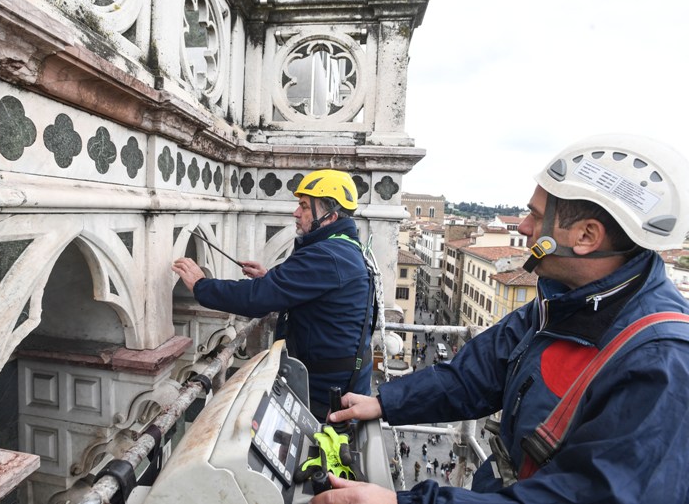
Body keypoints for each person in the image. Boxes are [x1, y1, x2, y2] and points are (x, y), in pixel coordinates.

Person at [309, 134, 689, 504]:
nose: (523, 227)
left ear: (586, 236)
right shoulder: (560, 302)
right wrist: (384, 403)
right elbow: (474, 377)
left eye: (536, 216)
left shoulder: (663, 364)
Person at [172, 169, 373, 421]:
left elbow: (257, 299)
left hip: (325, 395)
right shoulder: (344, 247)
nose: (295, 213)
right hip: (338, 384)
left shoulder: (328, 256)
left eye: (304, 207)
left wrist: (202, 285)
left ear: (329, 217)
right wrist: (269, 276)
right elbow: (312, 288)